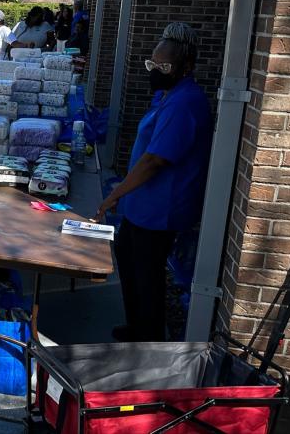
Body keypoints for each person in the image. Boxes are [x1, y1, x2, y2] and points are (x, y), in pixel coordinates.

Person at [94, 23, 213, 343]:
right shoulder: (168, 96)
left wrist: (115, 194)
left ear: (185, 67)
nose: (156, 71)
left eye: (164, 66)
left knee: (147, 275)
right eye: (152, 64)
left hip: (162, 207)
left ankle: (148, 340)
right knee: (129, 259)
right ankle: (136, 327)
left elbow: (154, 160)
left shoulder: (185, 102)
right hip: (143, 203)